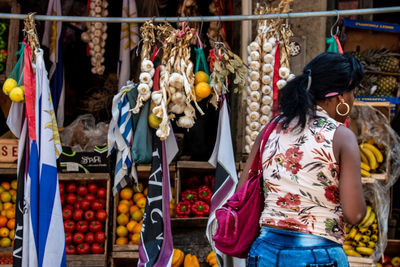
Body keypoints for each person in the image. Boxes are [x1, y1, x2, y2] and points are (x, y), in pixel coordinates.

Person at [239, 52, 367, 267]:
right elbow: (354, 214)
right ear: (340, 98)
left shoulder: (271, 129)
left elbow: (242, 191)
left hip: (265, 252)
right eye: (353, 92)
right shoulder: (342, 136)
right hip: (318, 255)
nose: (353, 100)